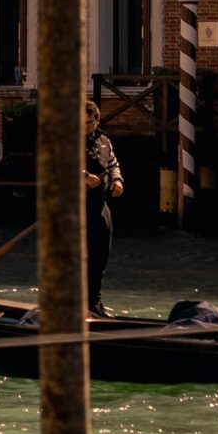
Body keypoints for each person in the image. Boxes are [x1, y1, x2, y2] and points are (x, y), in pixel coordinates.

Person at [85, 96, 124, 316]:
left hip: (99, 204)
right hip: (75, 206)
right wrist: (83, 177)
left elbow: (113, 163)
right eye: (82, 123)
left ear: (97, 121)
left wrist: (117, 181)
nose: (86, 127)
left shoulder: (104, 141)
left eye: (90, 123)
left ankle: (94, 302)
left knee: (101, 254)